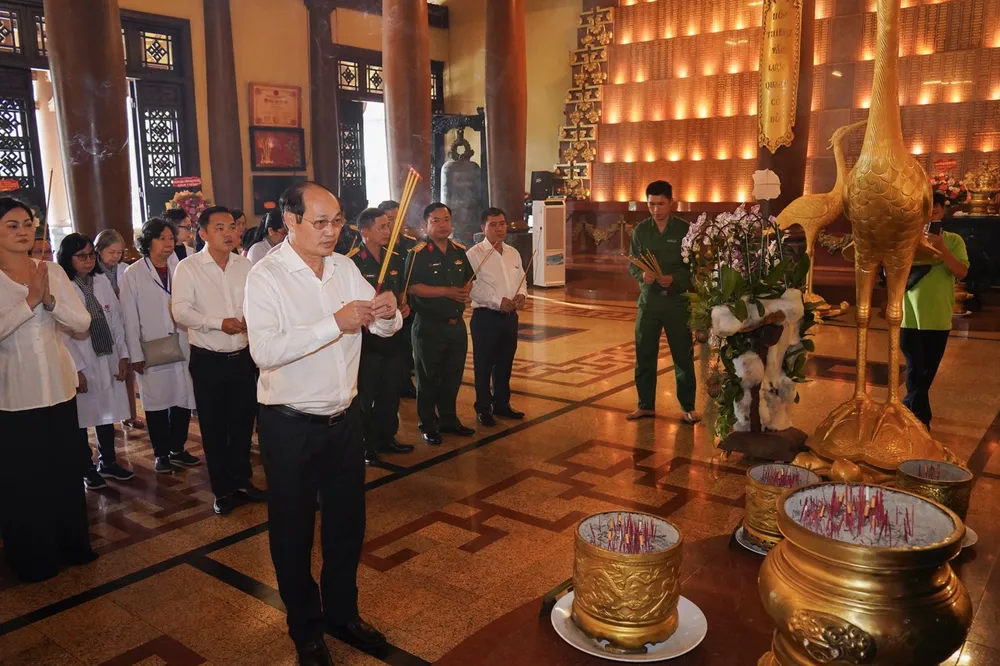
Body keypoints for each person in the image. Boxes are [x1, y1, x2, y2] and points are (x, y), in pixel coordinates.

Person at [244, 182, 400, 666]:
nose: (333, 231)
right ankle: (306, 629)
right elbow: (265, 352)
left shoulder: (346, 267)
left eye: (337, 221)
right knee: (292, 532)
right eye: (321, 222)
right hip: (290, 424)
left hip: (343, 419)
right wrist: (335, 322)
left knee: (346, 525)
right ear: (290, 221)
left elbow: (379, 327)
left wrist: (387, 313)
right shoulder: (266, 276)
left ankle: (342, 614)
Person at [0, 197, 96, 582]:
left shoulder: (52, 271)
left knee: (63, 473)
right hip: (14, 397)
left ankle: (72, 546)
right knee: (24, 483)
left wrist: (51, 298)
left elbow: (82, 323)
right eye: (12, 225)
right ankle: (34, 559)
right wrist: (29, 300)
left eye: (27, 223)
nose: (24, 231)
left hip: (59, 390)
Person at [172, 206, 264, 514]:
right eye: (220, 227)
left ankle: (241, 480)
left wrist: (252, 321)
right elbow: (180, 311)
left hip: (242, 358)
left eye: (232, 227)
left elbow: (255, 304)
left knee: (242, 423)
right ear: (203, 234)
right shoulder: (189, 268)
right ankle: (222, 489)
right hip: (208, 359)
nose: (228, 233)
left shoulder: (245, 266)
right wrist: (218, 322)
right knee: (213, 427)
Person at [120, 218, 201, 475]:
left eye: (170, 238)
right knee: (156, 402)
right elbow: (129, 318)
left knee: (182, 397)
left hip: (182, 341)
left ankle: (178, 448)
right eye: (162, 238)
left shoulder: (182, 267)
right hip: (151, 346)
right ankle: (161, 453)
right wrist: (135, 354)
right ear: (148, 242)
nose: (168, 244)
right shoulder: (133, 274)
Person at [57, 233, 135, 489]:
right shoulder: (62, 286)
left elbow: (117, 320)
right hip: (81, 358)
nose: (89, 261)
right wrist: (76, 368)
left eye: (91, 255)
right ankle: (86, 468)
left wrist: (123, 354)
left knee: (107, 412)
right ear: (68, 259)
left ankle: (108, 462)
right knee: (82, 417)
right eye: (82, 256)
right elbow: (62, 334)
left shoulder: (101, 281)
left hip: (107, 355)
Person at [627, 180, 700, 424]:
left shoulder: (685, 230)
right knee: (644, 354)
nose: (656, 209)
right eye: (651, 204)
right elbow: (633, 263)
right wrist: (642, 276)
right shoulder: (640, 231)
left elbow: (694, 267)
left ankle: (688, 407)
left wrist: (676, 279)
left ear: (671, 203)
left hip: (676, 303)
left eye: (660, 204)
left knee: (683, 356)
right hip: (648, 303)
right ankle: (645, 405)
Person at [405, 203, 476, 445]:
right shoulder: (418, 253)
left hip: (456, 325)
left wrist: (466, 290)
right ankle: (427, 423)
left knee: (452, 375)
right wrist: (446, 291)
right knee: (428, 376)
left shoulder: (458, 251)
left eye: (446, 219)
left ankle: (448, 419)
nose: (443, 224)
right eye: (436, 220)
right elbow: (412, 287)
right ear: (425, 224)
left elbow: (468, 277)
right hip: (429, 326)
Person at [348, 208, 415, 463]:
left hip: (393, 338)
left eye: (389, 226)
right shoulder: (352, 262)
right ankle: (365, 444)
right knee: (366, 394)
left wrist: (402, 308)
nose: (388, 231)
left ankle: (387, 437)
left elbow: (399, 296)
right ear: (364, 232)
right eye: (382, 227)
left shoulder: (395, 259)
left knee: (390, 390)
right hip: (366, 342)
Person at [901, 192, 969, 429]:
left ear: (943, 210)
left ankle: (908, 408)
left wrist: (941, 247)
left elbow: (961, 272)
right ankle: (921, 421)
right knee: (914, 369)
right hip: (907, 315)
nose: (933, 210)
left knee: (927, 372)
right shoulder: (906, 238)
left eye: (937, 206)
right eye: (928, 207)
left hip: (939, 316)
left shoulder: (954, 240)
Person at [467, 207, 527, 427]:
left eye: (502, 223)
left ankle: (502, 404)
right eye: (493, 224)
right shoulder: (474, 254)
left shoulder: (513, 252)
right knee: (483, 365)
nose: (499, 228)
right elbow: (470, 288)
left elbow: (522, 279)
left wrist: (522, 295)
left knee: (505, 363)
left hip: (510, 317)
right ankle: (483, 408)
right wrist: (496, 300)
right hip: (485, 317)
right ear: (483, 228)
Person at [96, 229, 144, 430]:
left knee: (129, 372)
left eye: (119, 252)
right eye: (111, 252)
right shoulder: (94, 273)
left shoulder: (126, 270)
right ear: (99, 251)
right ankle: (107, 418)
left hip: (125, 323)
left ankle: (131, 414)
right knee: (107, 374)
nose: (116, 257)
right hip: (104, 327)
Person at [378, 199, 418, 398]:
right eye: (389, 220)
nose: (394, 225)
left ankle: (407, 378)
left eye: (398, 218)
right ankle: (400, 382)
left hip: (410, 303)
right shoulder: (381, 247)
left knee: (408, 344)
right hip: (389, 306)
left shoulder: (411, 244)